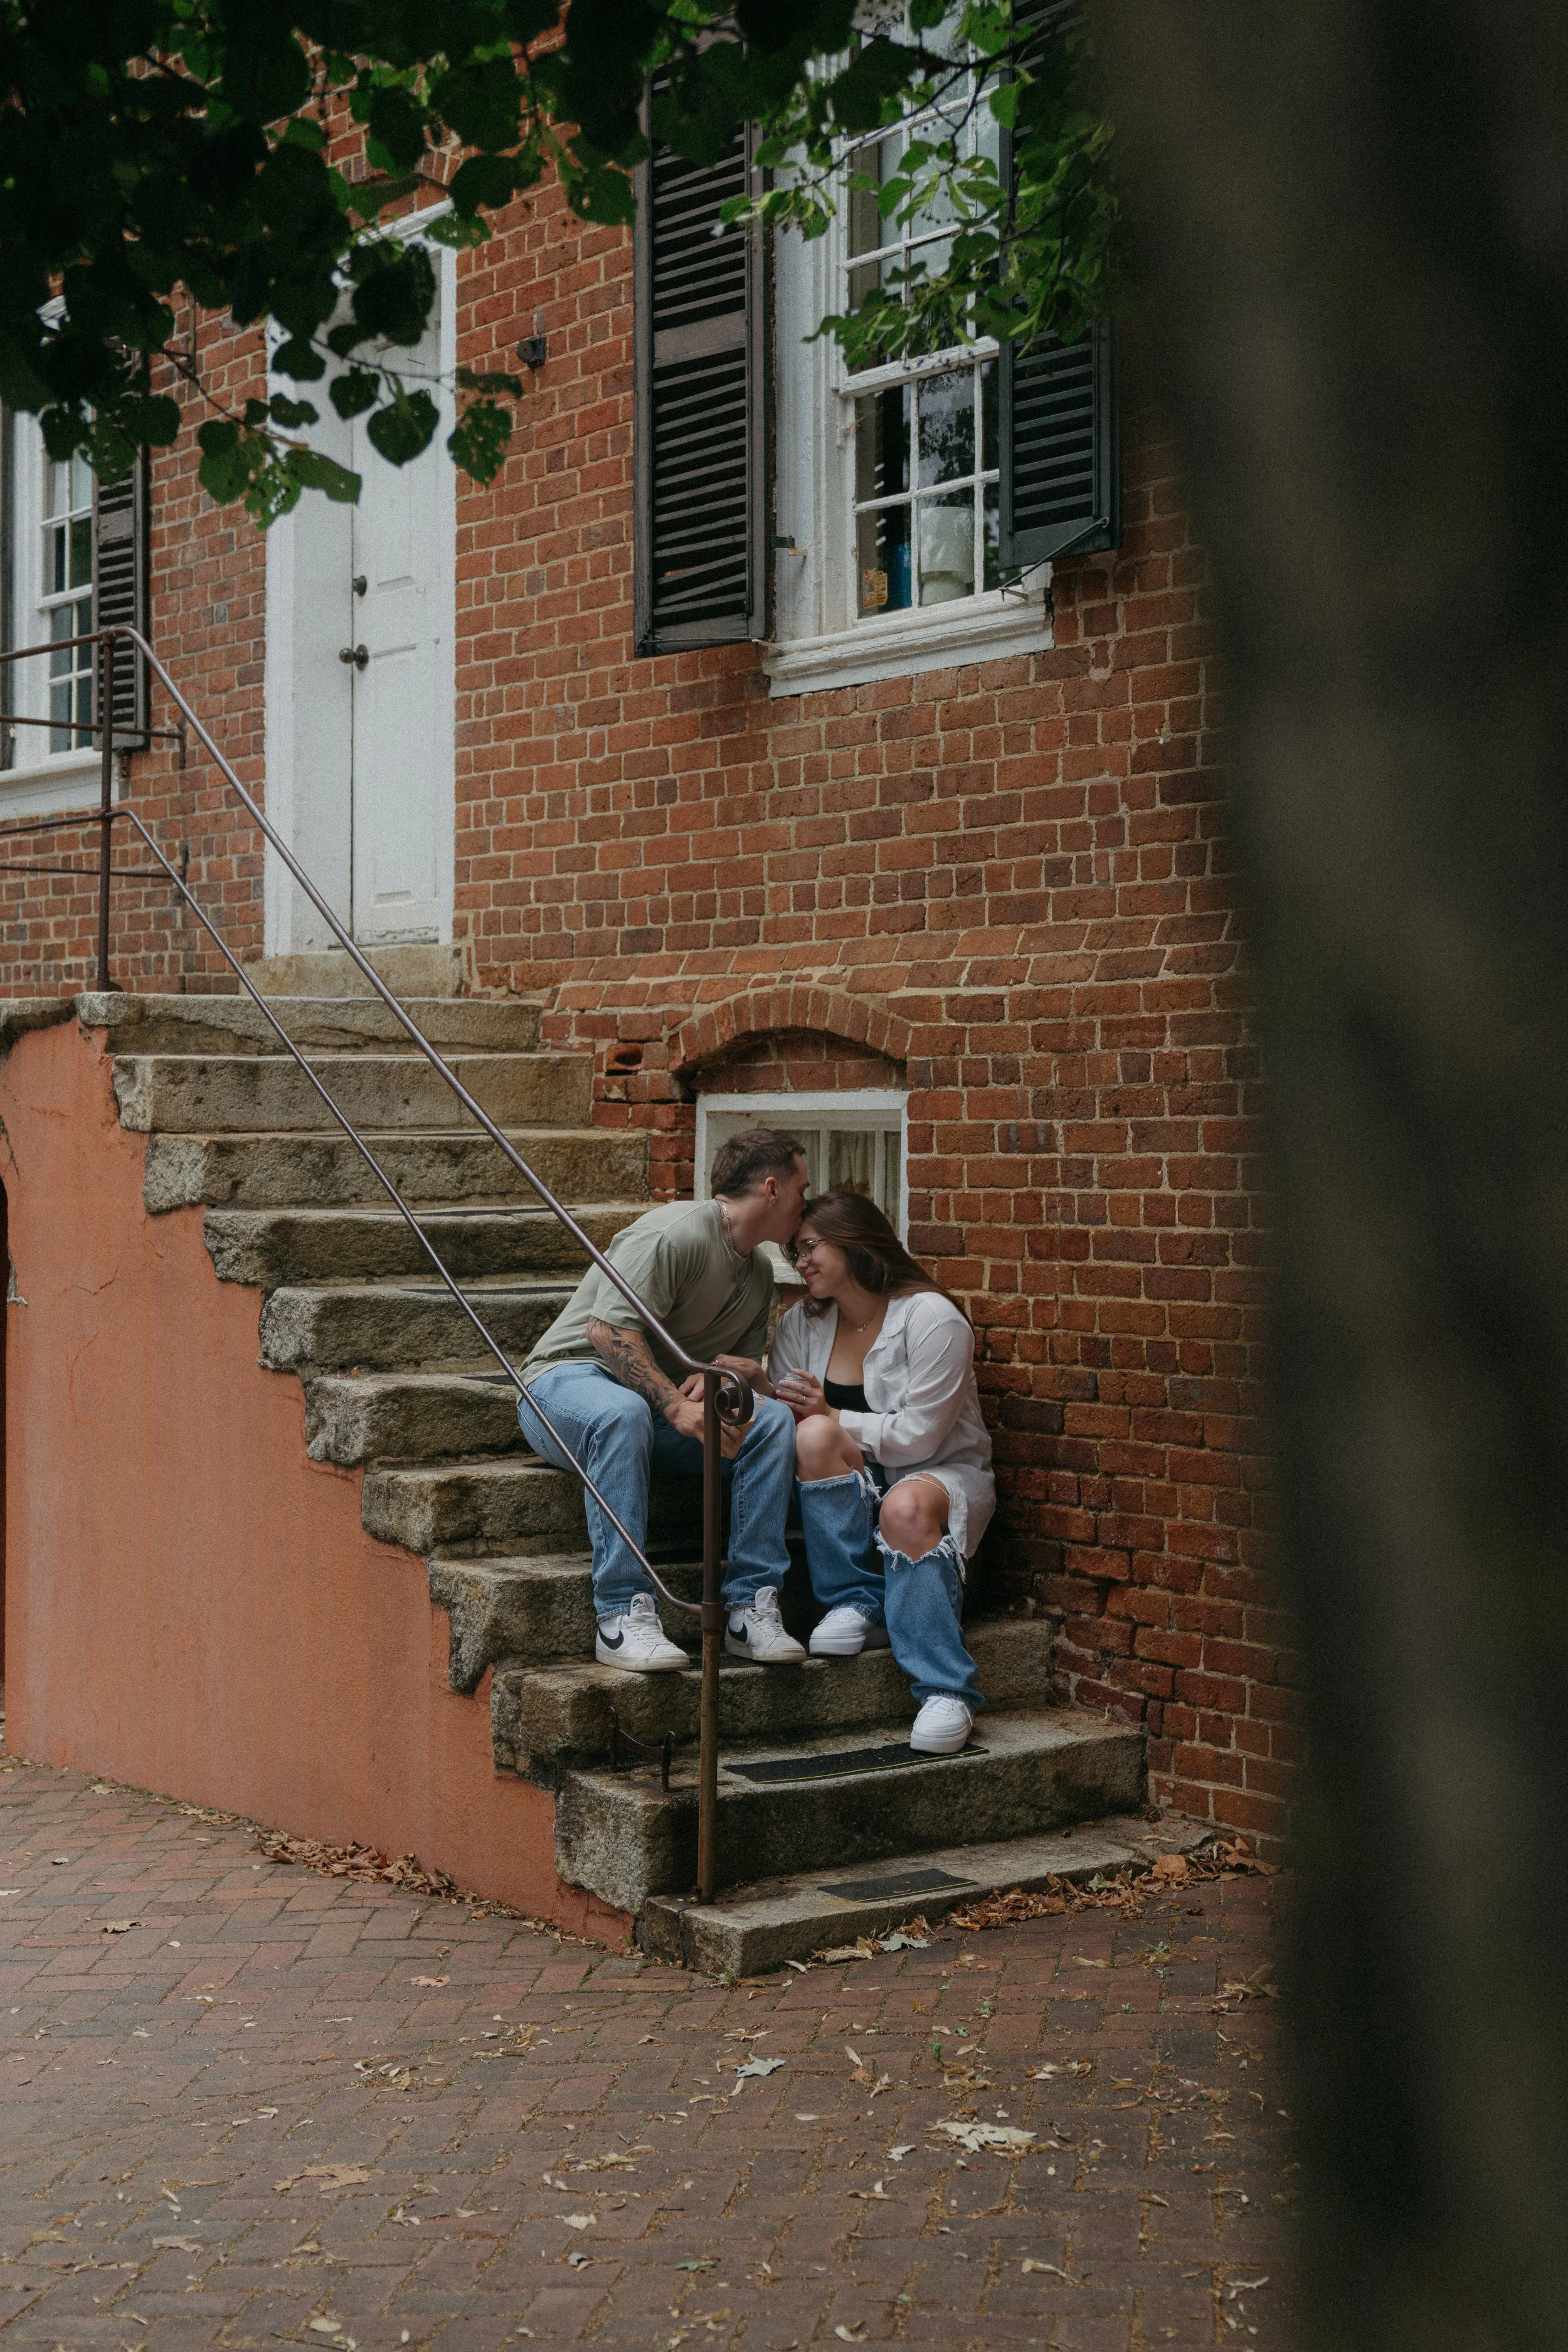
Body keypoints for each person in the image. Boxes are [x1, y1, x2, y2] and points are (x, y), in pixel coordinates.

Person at [516, 1129, 812, 1673]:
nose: (806, 1204)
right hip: (564, 1386)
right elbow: (607, 1331)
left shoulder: (761, 1273)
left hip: (653, 1406)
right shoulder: (677, 1233)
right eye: (802, 1189)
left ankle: (749, 1608)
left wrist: (731, 1384)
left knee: (769, 1423)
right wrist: (676, 1406)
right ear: (772, 1189)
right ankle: (620, 1616)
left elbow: (725, 1381)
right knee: (622, 1413)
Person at [769, 1189, 995, 1755]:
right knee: (814, 1437)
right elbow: (793, 1415)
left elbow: (920, 1437)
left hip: (939, 1472)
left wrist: (832, 1413)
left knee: (903, 1505)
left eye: (811, 1247)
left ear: (854, 1240)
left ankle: (947, 1689)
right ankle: (858, 1598)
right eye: (795, 1252)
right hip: (852, 1483)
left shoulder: (932, 1317)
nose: (801, 1264)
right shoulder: (804, 1321)